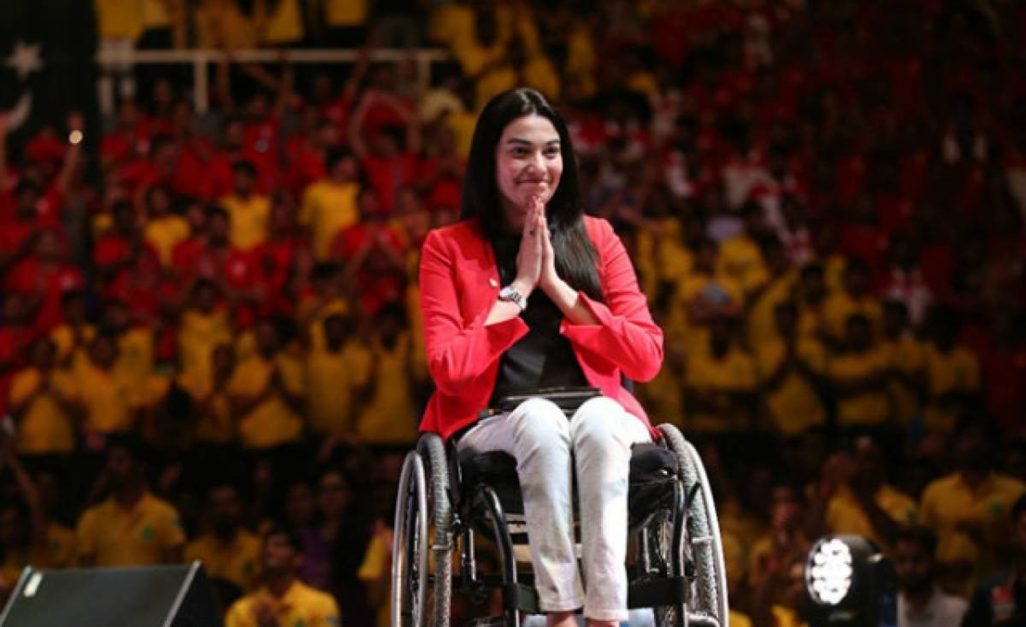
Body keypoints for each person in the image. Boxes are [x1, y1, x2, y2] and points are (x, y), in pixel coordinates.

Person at [417, 88, 663, 627]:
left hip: (596, 410)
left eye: (550, 151)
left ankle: (604, 616)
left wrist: (557, 287)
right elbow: (450, 370)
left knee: (600, 419)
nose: (539, 166)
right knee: (540, 418)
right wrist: (520, 288)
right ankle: (559, 613)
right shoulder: (447, 247)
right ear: (490, 159)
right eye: (520, 151)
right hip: (496, 419)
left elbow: (645, 359)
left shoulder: (598, 237)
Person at [224, 525, 341, 627]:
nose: (269, 551)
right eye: (265, 547)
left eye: (279, 545)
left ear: (298, 558)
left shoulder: (321, 604)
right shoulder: (241, 610)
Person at [893, 526, 967, 627]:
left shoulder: (958, 612)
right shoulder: (887, 612)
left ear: (932, 562)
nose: (909, 569)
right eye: (902, 561)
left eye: (917, 560)